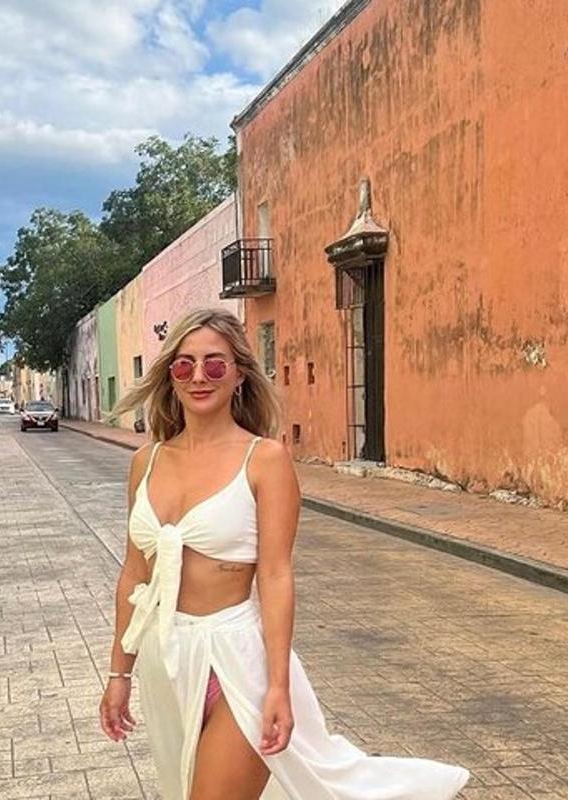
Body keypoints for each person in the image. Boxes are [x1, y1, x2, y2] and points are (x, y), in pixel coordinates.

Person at [99, 308, 469, 800]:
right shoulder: (146, 462)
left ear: (239, 375)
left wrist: (278, 686)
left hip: (239, 660)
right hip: (166, 658)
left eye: (214, 364)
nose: (199, 377)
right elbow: (134, 574)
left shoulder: (264, 460)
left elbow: (275, 575)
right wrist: (118, 674)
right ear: (171, 376)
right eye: (185, 365)